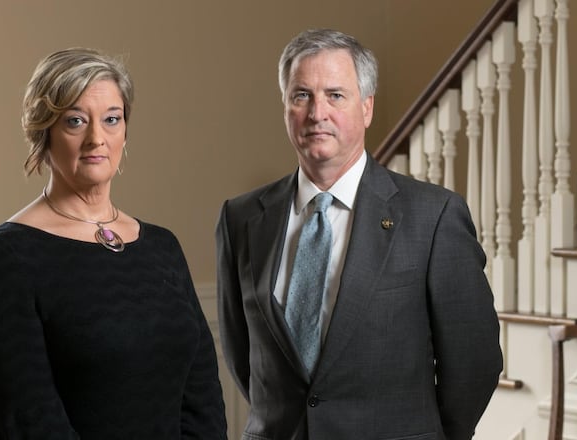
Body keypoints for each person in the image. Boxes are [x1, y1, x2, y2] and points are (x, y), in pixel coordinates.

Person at [215, 29, 502, 440]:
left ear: (366, 108)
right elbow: (243, 358)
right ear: (285, 108)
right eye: (302, 96)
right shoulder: (240, 218)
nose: (317, 113)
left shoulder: (433, 216)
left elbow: (474, 361)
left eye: (335, 95)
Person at [0, 48, 227, 439]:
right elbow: (26, 420)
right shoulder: (8, 257)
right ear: (44, 132)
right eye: (75, 121)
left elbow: (202, 395)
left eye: (111, 120)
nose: (96, 139)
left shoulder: (162, 247)